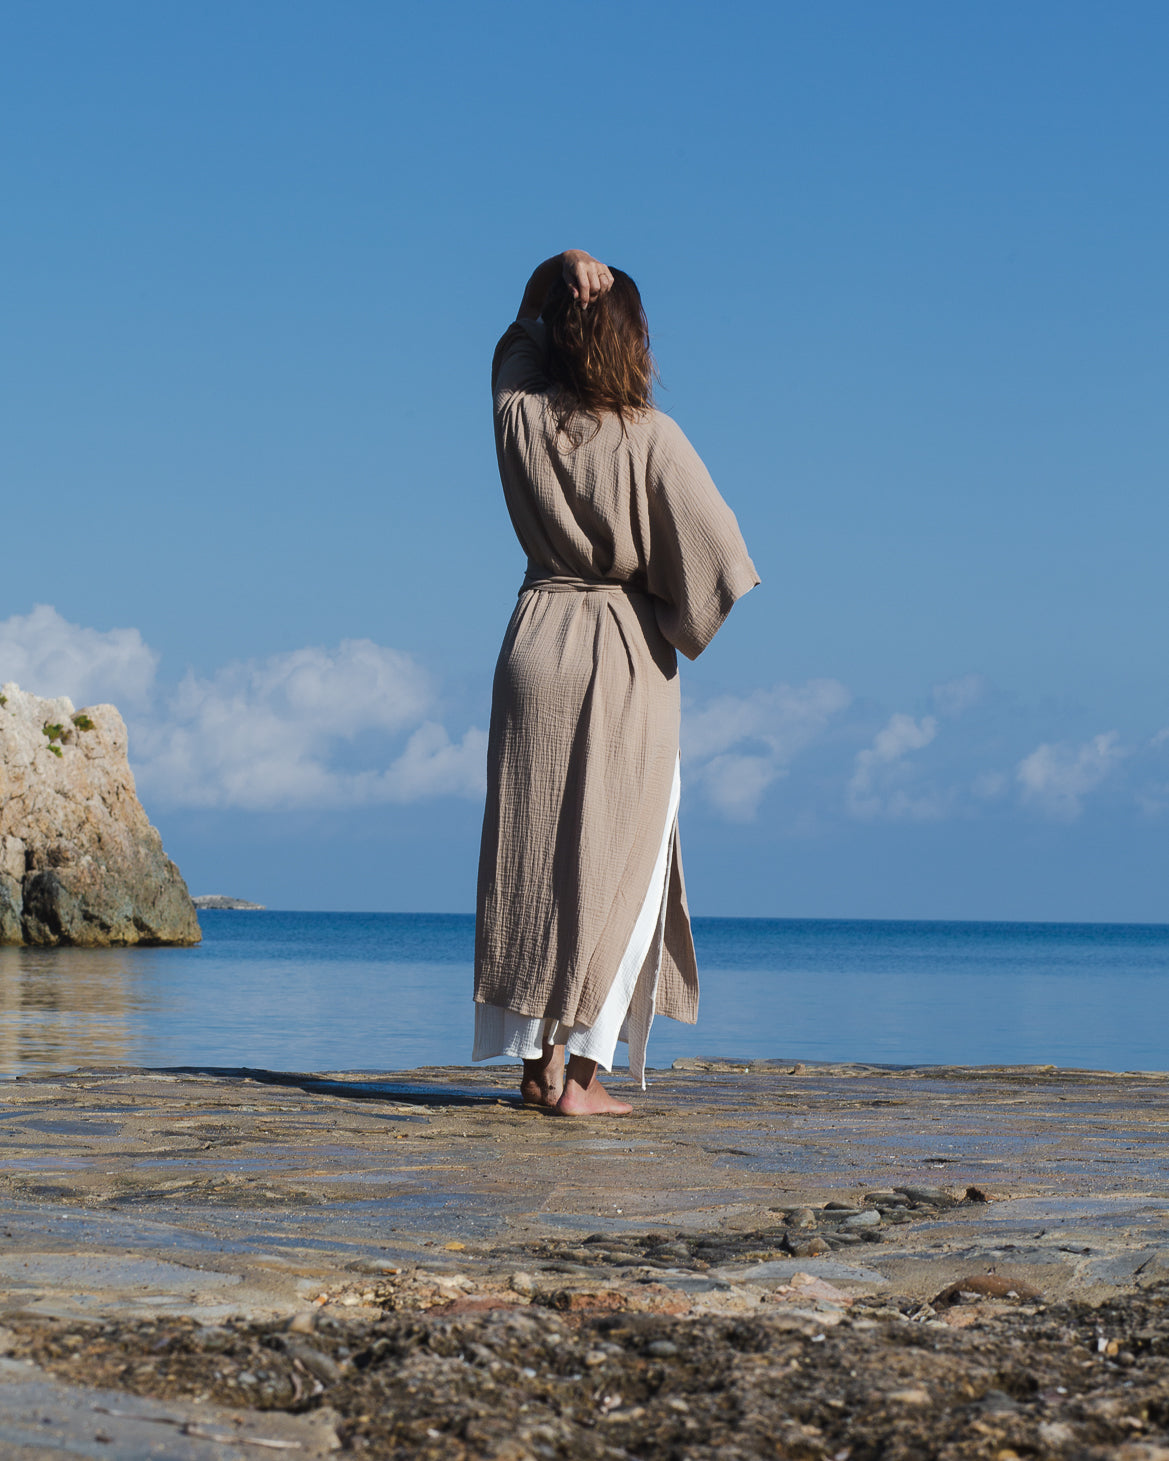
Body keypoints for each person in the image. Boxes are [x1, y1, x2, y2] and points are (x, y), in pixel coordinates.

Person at [472, 249, 759, 1116]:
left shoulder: (521, 413)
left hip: (534, 638)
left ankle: (532, 1068)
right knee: (623, 864)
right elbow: (721, 565)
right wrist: (667, 623)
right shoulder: (651, 438)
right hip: (620, 649)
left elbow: (513, 331)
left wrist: (554, 269)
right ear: (630, 339)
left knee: (531, 860)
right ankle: (583, 1081)